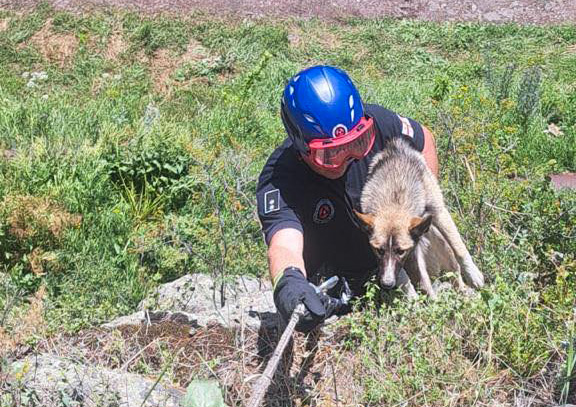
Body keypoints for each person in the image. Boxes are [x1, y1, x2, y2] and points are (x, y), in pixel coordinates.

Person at [256, 65, 439, 332]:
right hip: (340, 280)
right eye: (329, 155)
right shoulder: (281, 180)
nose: (346, 160)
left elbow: (425, 139)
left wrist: (417, 219)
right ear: (300, 143)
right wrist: (290, 285)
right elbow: (284, 246)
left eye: (356, 144)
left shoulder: (379, 123)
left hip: (396, 254)